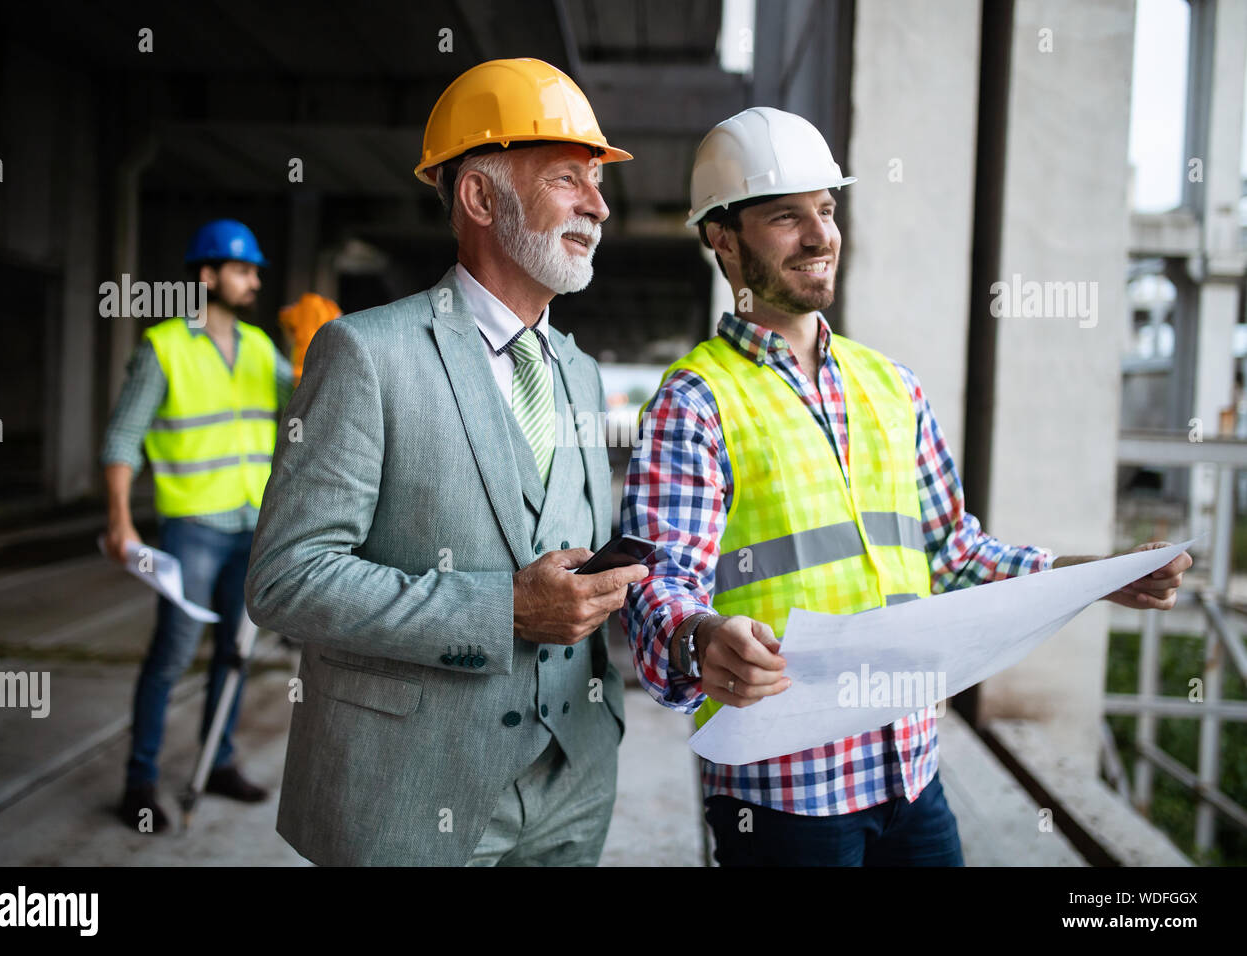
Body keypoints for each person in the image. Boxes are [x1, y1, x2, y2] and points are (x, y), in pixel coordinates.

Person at [620, 107, 1193, 867]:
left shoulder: (892, 387)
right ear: (721, 237)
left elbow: (955, 553)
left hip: (913, 773)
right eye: (786, 217)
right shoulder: (695, 399)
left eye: (826, 210)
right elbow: (657, 590)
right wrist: (699, 637)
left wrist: (1089, 577)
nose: (820, 235)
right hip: (785, 799)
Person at [245, 58, 647, 866]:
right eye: (569, 178)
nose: (599, 205)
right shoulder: (366, 353)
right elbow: (286, 580)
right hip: (410, 791)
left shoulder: (578, 371)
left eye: (596, 182)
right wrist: (500, 610)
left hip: (572, 785)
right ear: (479, 196)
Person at [102, 219, 293, 832]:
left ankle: (218, 761)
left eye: (255, 271)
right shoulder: (164, 347)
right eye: (243, 270)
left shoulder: (263, 348)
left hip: (250, 526)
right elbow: (123, 438)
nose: (254, 281)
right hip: (193, 528)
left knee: (235, 654)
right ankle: (140, 781)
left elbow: (314, 398)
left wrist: (321, 342)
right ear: (207, 275)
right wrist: (120, 522)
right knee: (172, 655)